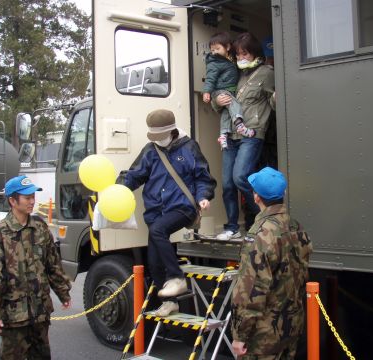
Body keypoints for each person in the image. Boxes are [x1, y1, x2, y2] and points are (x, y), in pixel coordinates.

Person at [123, 109, 217, 317]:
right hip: (156, 210)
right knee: (154, 261)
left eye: (161, 136)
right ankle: (170, 302)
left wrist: (204, 196)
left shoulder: (189, 147)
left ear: (172, 131)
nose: (158, 140)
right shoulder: (150, 151)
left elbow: (203, 176)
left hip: (183, 207)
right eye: (154, 137)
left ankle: (177, 278)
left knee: (157, 230)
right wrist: (118, 189)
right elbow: (134, 176)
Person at [0, 175, 72, 360]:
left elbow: (52, 263)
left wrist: (63, 291)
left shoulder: (39, 227)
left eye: (33, 197)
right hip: (13, 317)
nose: (32, 201)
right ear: (13, 201)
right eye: (27, 197)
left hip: (40, 314)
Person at [231, 167, 312, 359]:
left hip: (263, 335)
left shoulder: (259, 234)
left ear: (256, 197)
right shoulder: (296, 227)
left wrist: (240, 335)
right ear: (282, 194)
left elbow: (250, 290)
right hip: (292, 326)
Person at [213, 32, 276, 240]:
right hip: (230, 134)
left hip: (252, 133)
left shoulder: (267, 72)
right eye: (238, 54)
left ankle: (262, 221)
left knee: (240, 177)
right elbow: (220, 100)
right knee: (228, 183)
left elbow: (275, 101)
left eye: (245, 53)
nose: (241, 58)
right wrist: (217, 100)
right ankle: (232, 226)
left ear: (255, 53)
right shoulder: (236, 74)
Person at [203, 32, 255, 150]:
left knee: (226, 112)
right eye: (212, 50)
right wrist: (207, 92)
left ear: (227, 47)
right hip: (221, 90)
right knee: (232, 102)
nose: (214, 52)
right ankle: (239, 124)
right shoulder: (215, 62)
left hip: (227, 89)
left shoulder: (229, 60)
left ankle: (223, 135)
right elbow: (210, 78)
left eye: (217, 48)